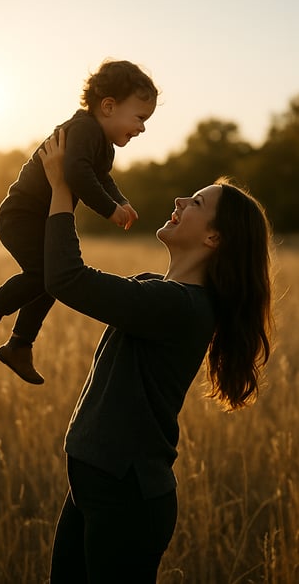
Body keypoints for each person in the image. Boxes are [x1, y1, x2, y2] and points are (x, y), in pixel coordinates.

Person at [38, 130, 273, 584]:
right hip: (97, 485)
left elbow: (65, 278)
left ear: (213, 240)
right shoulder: (163, 293)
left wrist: (62, 190)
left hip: (127, 497)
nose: (181, 199)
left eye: (198, 204)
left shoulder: (178, 306)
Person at [0, 59, 158, 384]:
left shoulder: (102, 145)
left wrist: (121, 200)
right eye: (139, 117)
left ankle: (19, 345)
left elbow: (101, 176)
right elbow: (76, 173)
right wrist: (109, 210)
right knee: (46, 274)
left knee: (54, 276)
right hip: (22, 216)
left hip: (44, 219)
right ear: (108, 106)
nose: (142, 127)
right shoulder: (83, 129)